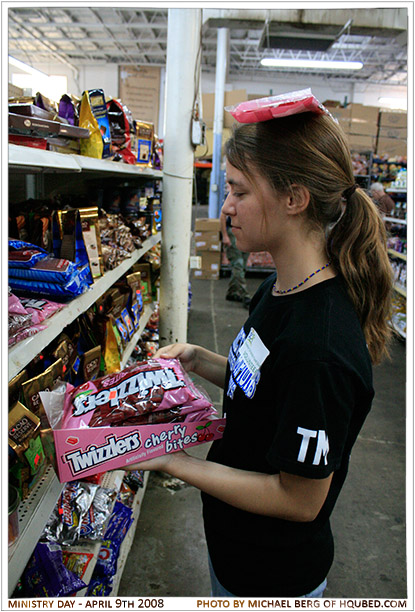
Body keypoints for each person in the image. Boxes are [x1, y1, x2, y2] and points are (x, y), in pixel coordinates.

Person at [126, 103, 393, 597]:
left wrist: (178, 463)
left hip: (273, 575)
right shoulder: (280, 287)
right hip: (234, 546)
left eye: (239, 191)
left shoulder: (322, 346)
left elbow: (299, 499)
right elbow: (266, 387)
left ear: (294, 198)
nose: (225, 206)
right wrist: (200, 360)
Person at [220, 210, 251, 308]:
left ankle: (232, 292)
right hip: (233, 233)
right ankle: (245, 295)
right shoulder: (235, 196)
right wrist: (225, 236)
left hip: (246, 233)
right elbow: (222, 216)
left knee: (242, 266)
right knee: (238, 265)